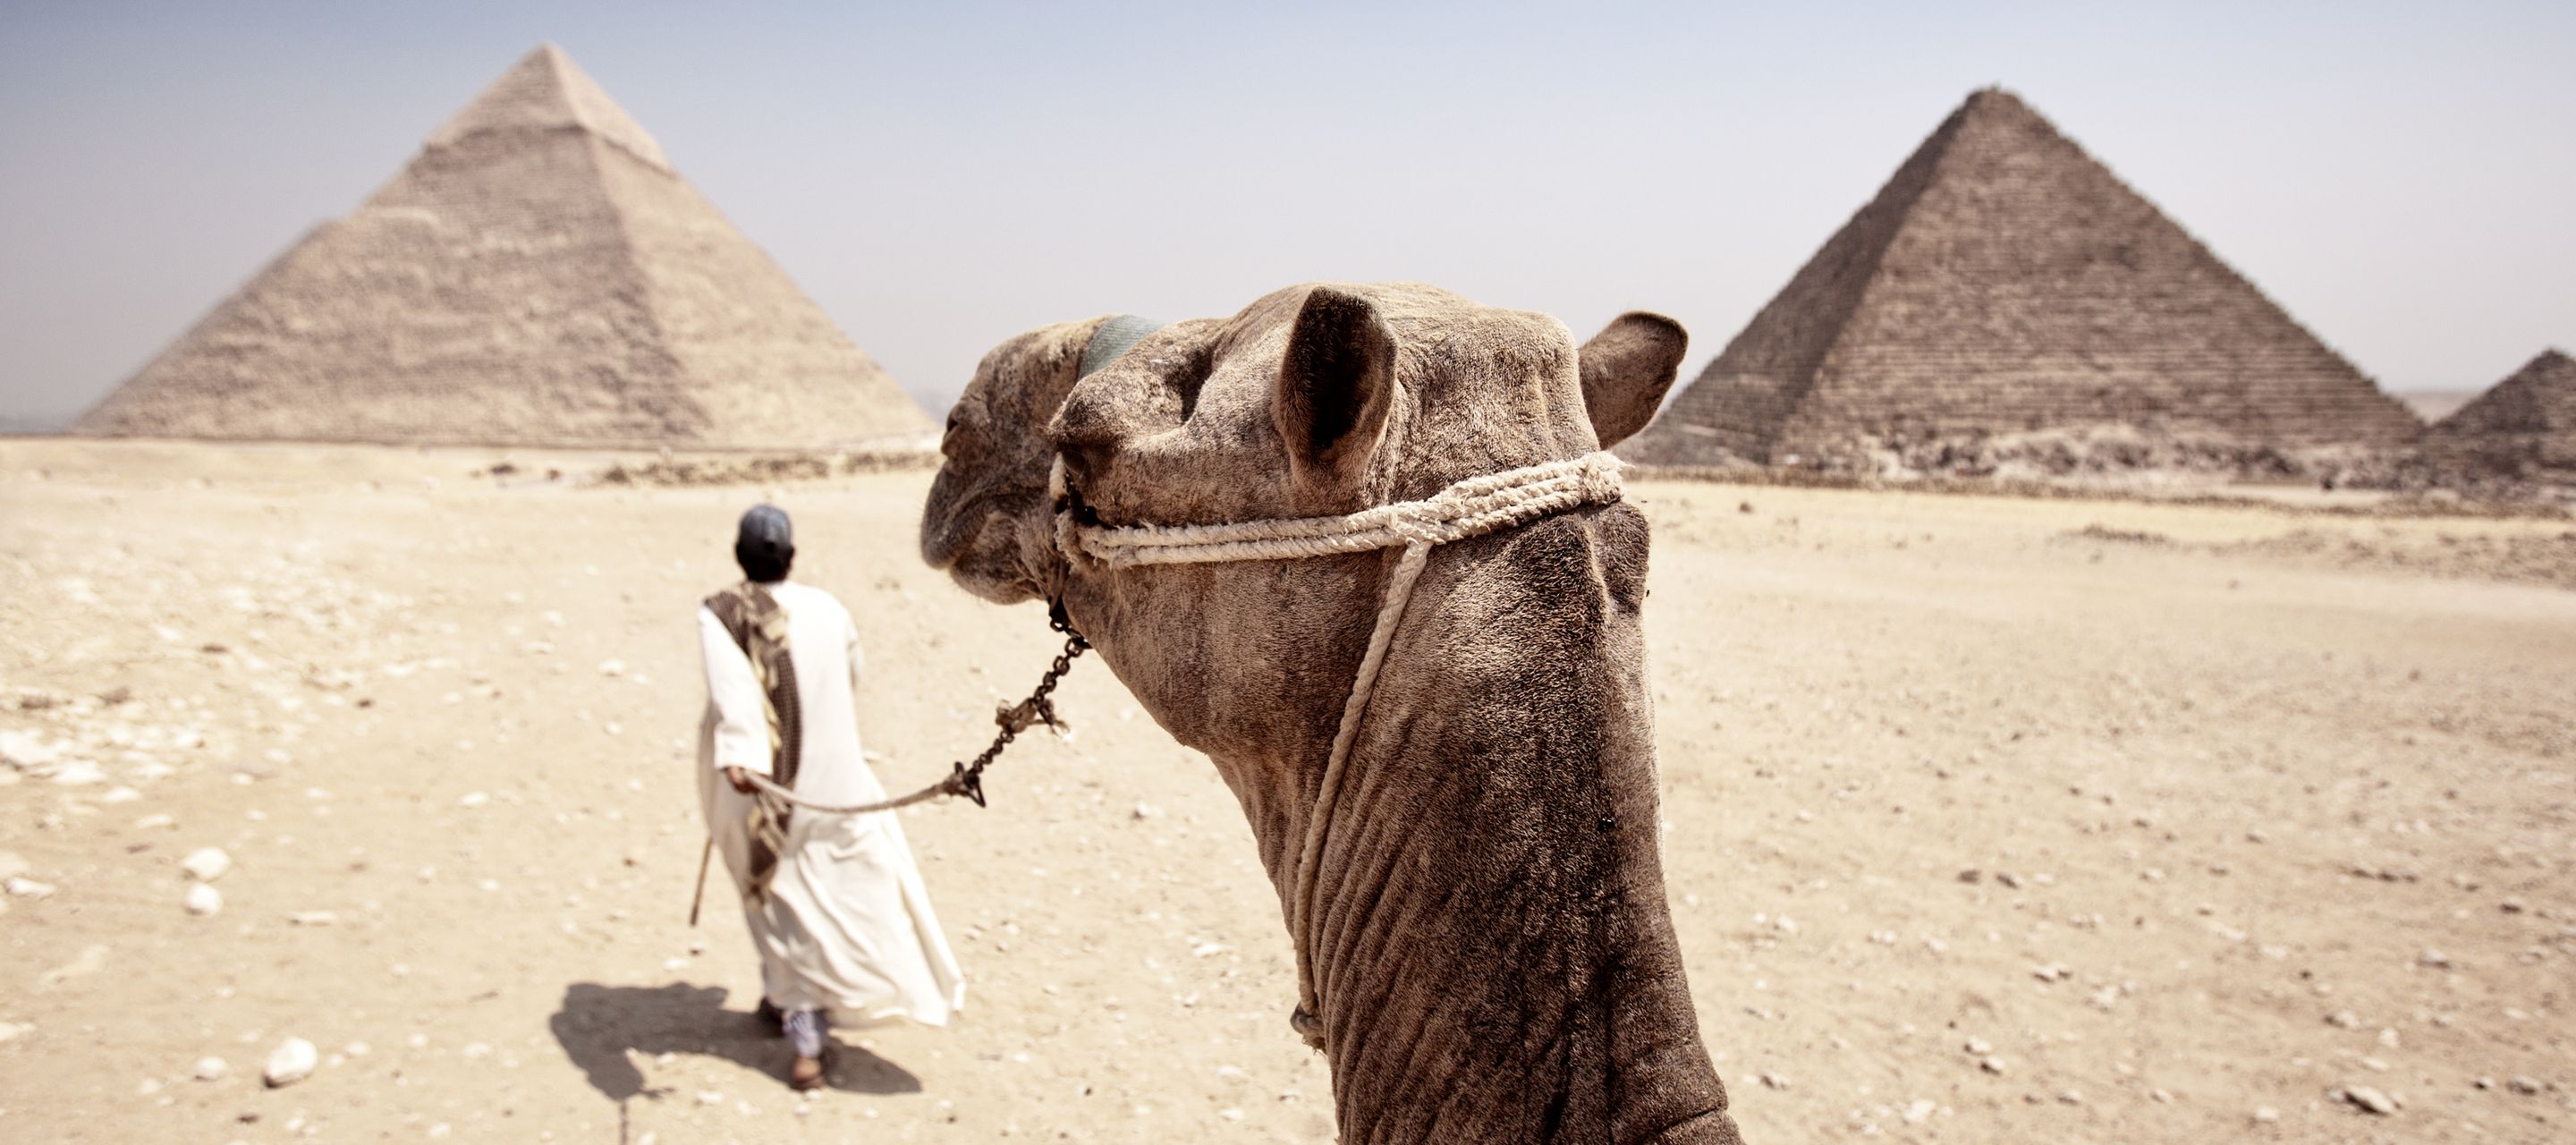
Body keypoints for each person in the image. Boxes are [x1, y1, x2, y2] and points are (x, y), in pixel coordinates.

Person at [696, 505, 964, 1090]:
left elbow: (733, 691)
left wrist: (743, 755)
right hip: (835, 775)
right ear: (791, 556)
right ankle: (787, 997)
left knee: (777, 896)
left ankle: (807, 1045)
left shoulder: (721, 613)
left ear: (740, 558)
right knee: (840, 891)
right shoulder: (829, 608)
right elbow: (852, 675)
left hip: (763, 784)